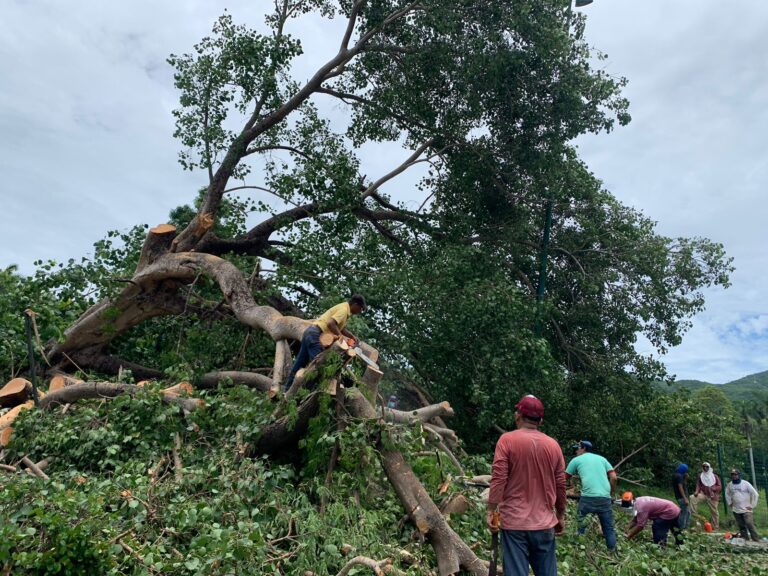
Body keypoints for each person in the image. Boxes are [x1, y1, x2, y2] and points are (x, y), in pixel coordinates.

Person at [487, 395, 566, 576]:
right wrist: (560, 514)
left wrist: (490, 510)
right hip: (544, 524)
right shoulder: (553, 445)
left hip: (514, 524)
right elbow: (560, 484)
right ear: (541, 421)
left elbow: (499, 478)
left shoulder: (506, 440)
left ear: (518, 416)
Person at [283, 294, 366, 390]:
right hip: (315, 335)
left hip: (310, 332)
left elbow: (341, 327)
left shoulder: (344, 309)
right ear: (355, 304)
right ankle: (308, 392)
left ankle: (287, 390)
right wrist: (340, 336)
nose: (360, 311)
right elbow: (331, 323)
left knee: (299, 363)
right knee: (319, 367)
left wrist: (351, 336)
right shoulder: (343, 310)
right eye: (360, 309)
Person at [565, 440, 618, 550]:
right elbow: (614, 478)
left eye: (577, 448)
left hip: (588, 498)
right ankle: (612, 553)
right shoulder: (602, 459)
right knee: (608, 529)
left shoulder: (576, 460)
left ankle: (577, 552)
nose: (576, 451)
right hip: (605, 498)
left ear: (583, 448)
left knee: (580, 527)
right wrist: (611, 493)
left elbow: (563, 478)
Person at [725, 469, 761, 541]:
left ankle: (756, 539)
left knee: (749, 523)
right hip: (736, 509)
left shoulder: (745, 483)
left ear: (739, 475)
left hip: (746, 509)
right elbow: (727, 494)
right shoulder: (730, 485)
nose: (734, 476)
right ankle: (745, 540)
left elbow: (755, 494)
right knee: (741, 526)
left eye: (735, 474)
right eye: (732, 475)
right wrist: (729, 503)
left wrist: (752, 505)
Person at [689, 462, 722, 529]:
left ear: (709, 467)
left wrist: (714, 488)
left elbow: (719, 486)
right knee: (692, 497)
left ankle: (716, 526)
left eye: (706, 467)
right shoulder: (700, 475)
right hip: (704, 494)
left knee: (714, 511)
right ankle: (695, 517)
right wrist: (696, 491)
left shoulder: (714, 476)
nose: (705, 468)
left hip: (713, 496)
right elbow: (698, 485)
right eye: (703, 466)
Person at [671, 463, 691, 528]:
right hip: (681, 497)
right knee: (684, 513)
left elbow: (683, 485)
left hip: (679, 497)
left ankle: (686, 527)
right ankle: (681, 527)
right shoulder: (679, 476)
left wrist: (685, 478)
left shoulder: (676, 475)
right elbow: (680, 488)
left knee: (688, 512)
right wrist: (685, 498)